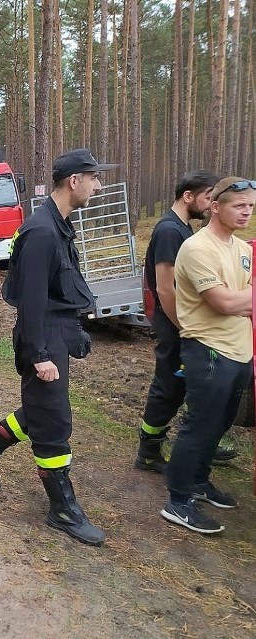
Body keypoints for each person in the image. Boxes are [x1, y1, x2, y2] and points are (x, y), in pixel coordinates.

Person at [0, 148, 115, 546]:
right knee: (53, 424)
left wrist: (74, 328)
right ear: (74, 181)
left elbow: (58, 287)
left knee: (40, 409)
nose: (98, 186)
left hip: (55, 331)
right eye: (94, 178)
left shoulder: (59, 225)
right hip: (41, 336)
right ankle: (62, 509)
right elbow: (30, 302)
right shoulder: (42, 231)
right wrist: (41, 354)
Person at [160, 177, 255, 534]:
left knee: (220, 424)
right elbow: (224, 302)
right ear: (215, 207)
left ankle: (199, 482)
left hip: (239, 353)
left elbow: (244, 300)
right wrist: (246, 301)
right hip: (208, 351)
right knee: (199, 427)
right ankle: (178, 500)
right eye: (238, 205)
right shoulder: (198, 249)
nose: (246, 211)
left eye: (250, 206)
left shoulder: (242, 250)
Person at [134, 170, 239, 472]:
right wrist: (186, 327)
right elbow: (166, 287)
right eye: (208, 197)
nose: (210, 205)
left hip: (183, 321)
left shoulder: (182, 228)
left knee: (189, 385)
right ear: (188, 196)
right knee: (168, 386)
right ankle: (149, 451)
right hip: (174, 322)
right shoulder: (169, 230)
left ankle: (201, 440)